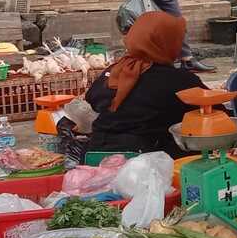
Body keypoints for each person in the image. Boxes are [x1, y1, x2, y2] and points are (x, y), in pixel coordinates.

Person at [85, 12, 205, 158]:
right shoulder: (180, 80)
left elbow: (93, 98)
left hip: (96, 154)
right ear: (167, 42)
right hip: (146, 163)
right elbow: (215, 111)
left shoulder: (116, 69)